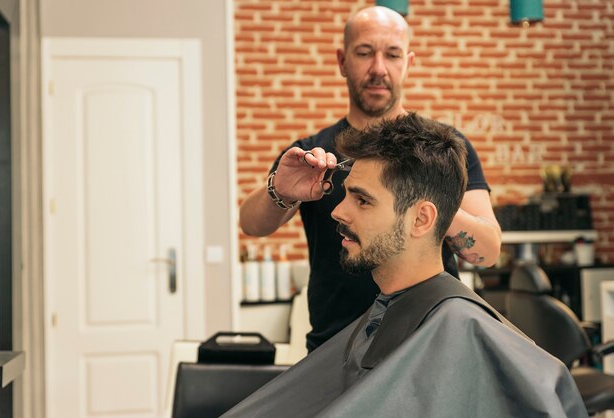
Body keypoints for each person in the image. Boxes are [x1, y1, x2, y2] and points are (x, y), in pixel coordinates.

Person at [224, 114, 587, 418]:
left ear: (421, 219)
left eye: (362, 200)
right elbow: (251, 223)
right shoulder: (388, 322)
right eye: (346, 193)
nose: (337, 211)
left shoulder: (461, 333)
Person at [239, 5, 502, 352]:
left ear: (408, 63)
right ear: (342, 61)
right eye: (364, 53)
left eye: (392, 55)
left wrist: (431, 193)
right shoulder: (312, 155)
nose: (379, 68)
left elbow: (488, 253)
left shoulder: (443, 149)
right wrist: (282, 191)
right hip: (335, 349)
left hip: (429, 344)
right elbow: (251, 225)